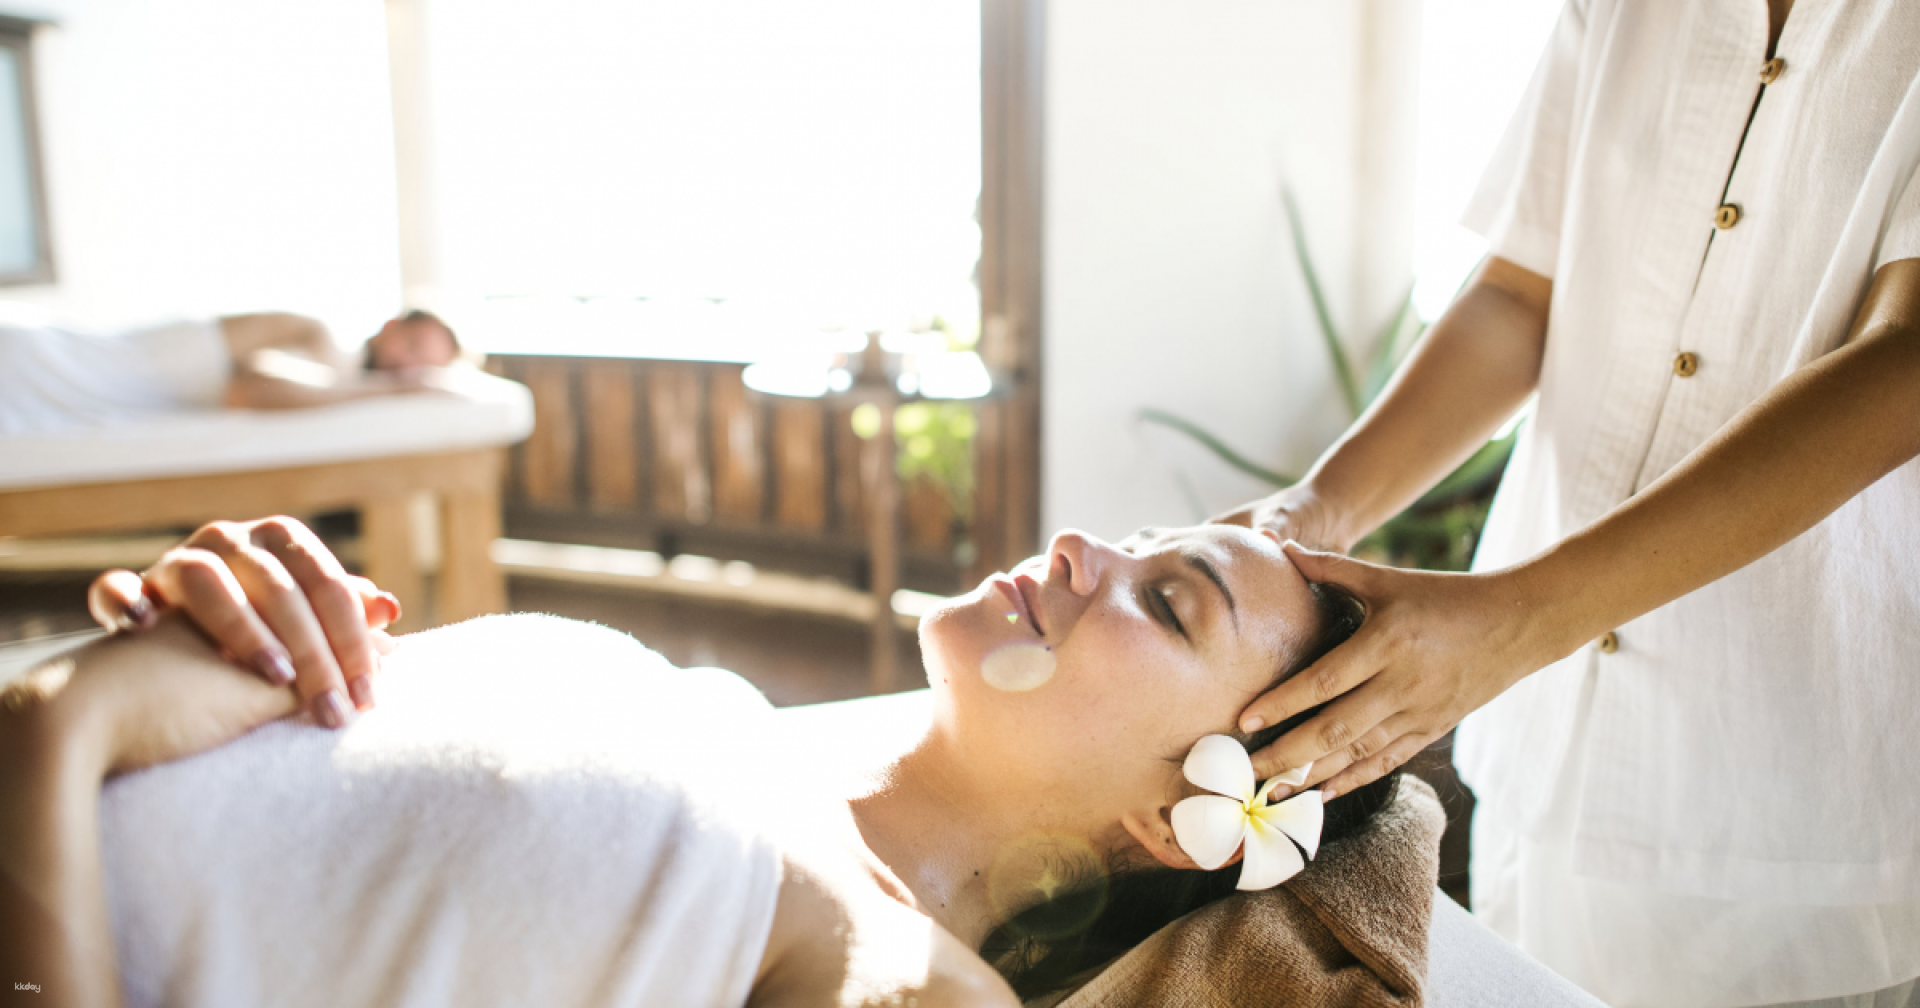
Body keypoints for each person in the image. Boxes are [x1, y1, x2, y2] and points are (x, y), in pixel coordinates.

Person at [1220, 1, 1920, 1004]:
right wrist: (1312, 510)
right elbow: (1520, 295)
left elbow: (1905, 362)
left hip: (1806, 806)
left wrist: (1518, 622)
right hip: (1542, 774)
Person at [0, 515, 1400, 1007]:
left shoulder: (901, 977)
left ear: (1185, 820)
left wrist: (55, 737)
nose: (1091, 548)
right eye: (1143, 541)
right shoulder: (711, 716)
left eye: (1170, 602)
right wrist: (237, 620)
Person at [0, 308, 466, 435]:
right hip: (42, 363)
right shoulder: (324, 338)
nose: (408, 367)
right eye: (410, 346)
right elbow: (251, 389)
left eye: (421, 364)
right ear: (389, 326)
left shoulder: (338, 366)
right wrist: (392, 391)